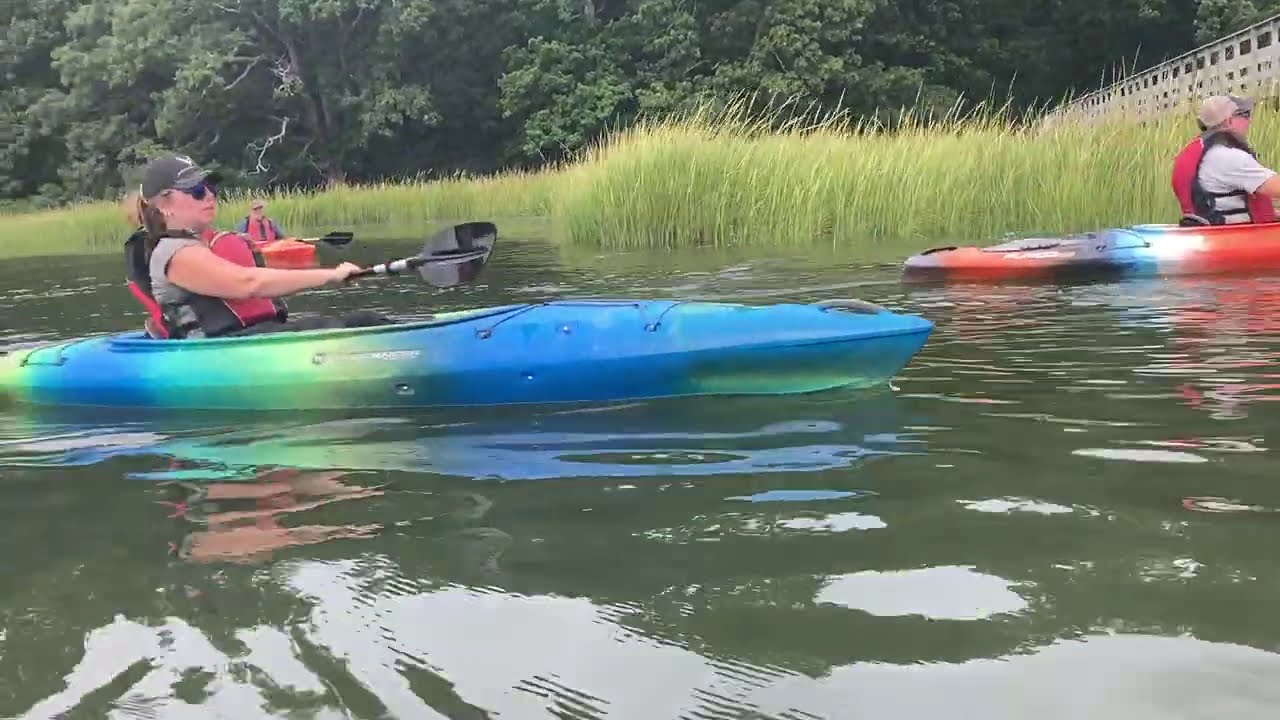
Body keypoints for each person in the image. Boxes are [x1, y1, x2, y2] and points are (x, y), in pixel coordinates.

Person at [124, 154, 394, 339]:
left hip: (252, 337)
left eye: (210, 189)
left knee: (363, 319)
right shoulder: (174, 254)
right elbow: (247, 283)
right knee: (322, 327)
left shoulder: (197, 245)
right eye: (196, 191)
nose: (209, 197)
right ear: (164, 204)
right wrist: (330, 275)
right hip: (224, 351)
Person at [1172, 94, 1280, 225]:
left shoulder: (1198, 152)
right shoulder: (1229, 158)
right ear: (1229, 121)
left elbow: (1222, 203)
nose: (1249, 121)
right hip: (1236, 240)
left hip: (1207, 235)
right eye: (1245, 115)